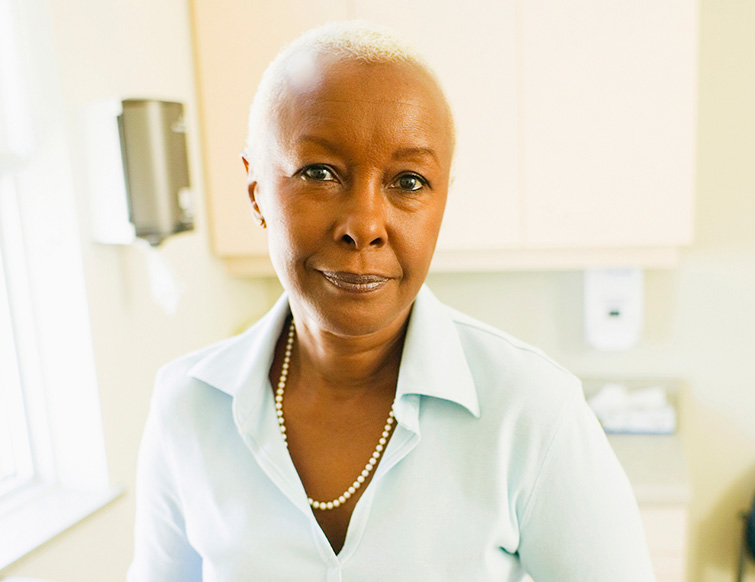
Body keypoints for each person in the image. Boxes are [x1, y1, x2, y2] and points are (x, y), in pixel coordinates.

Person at [128, 21, 655, 581]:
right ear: (257, 189)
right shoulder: (187, 407)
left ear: (442, 200)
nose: (365, 225)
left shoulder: (532, 411)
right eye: (320, 172)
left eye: (408, 181)